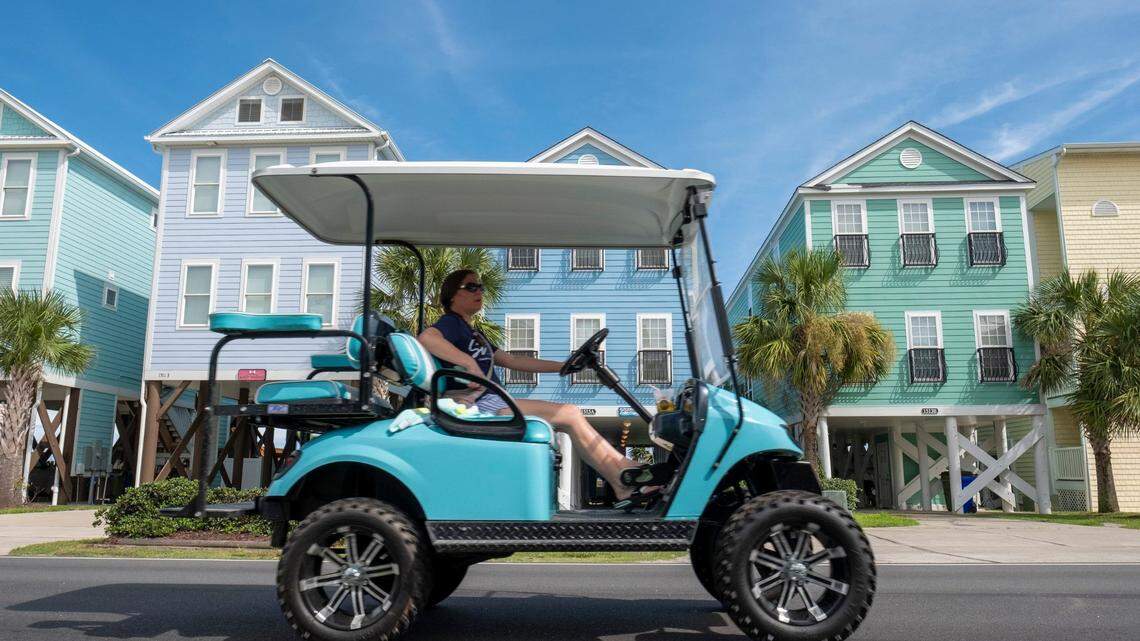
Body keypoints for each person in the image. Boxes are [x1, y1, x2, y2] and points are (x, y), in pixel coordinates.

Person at [417, 269, 652, 503]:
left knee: (570, 415)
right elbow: (427, 338)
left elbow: (513, 361)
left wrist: (563, 367)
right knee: (569, 414)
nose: (479, 291)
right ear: (452, 296)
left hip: (495, 402)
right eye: (471, 287)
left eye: (481, 287)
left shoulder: (474, 333)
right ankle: (623, 474)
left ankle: (621, 476)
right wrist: (468, 362)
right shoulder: (451, 324)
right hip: (480, 407)